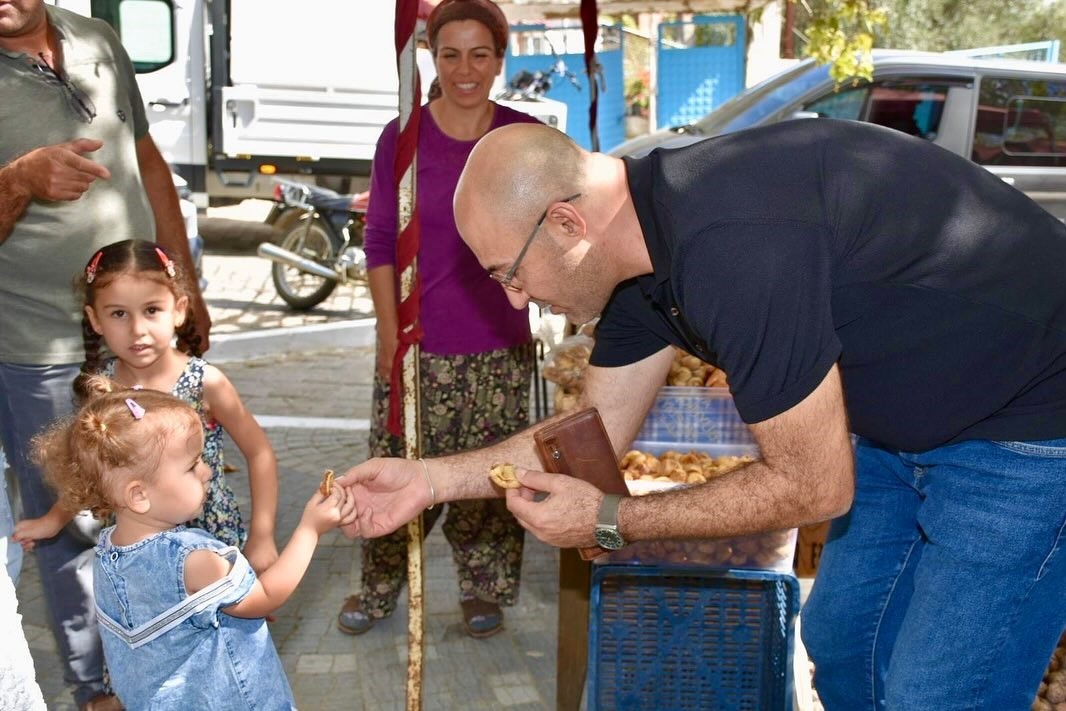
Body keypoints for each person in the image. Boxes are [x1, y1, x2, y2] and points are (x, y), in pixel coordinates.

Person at [338, 118, 1066, 709]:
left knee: (931, 695)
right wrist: (427, 481)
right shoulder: (638, 256)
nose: (515, 301)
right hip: (901, 422)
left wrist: (611, 520)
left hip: (1026, 420)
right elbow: (590, 434)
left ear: (565, 223)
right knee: (844, 642)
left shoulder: (734, 248)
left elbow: (816, 487)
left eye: (509, 272)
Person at [0, 2, 210, 707]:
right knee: (69, 522)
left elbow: (144, 157)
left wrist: (182, 282)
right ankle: (99, 691)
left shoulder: (96, 37)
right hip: (35, 346)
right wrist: (17, 181)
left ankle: (162, 657)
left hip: (137, 338)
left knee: (156, 493)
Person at [335, 0, 540, 639]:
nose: (465, 68)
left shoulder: (523, 139)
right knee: (394, 471)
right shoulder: (403, 139)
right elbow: (377, 241)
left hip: (498, 348)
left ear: (500, 60)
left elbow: (555, 236)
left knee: (488, 478)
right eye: (450, 54)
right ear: (430, 57)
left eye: (480, 54)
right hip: (417, 346)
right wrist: (387, 335)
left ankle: (482, 590)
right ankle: (377, 587)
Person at [32, 376, 356, 709]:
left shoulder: (106, 552)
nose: (208, 472)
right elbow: (267, 597)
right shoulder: (193, 559)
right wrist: (310, 529)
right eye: (192, 465)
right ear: (139, 495)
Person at [15, 240, 281, 573]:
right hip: (135, 550)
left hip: (208, 542)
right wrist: (53, 521)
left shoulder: (205, 382)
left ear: (179, 310)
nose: (137, 329)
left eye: (152, 310)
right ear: (94, 319)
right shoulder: (101, 389)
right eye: (118, 314)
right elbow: (87, 469)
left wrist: (262, 536)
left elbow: (260, 454)